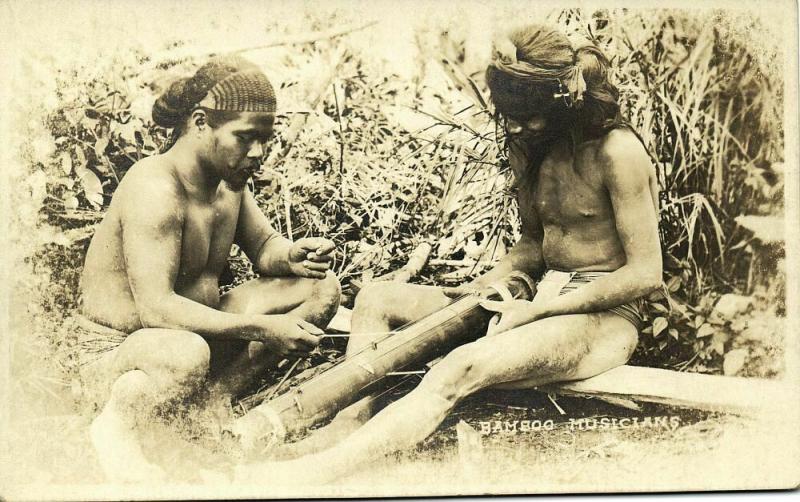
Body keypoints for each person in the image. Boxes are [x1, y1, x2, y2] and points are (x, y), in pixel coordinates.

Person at [238, 23, 662, 481]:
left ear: (563, 102)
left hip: (605, 316)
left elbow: (645, 274)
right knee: (377, 298)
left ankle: (311, 475)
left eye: (528, 115)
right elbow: (535, 244)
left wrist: (540, 312)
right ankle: (350, 423)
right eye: (509, 115)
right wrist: (483, 287)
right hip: (540, 300)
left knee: (461, 365)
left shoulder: (618, 152)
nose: (516, 126)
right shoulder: (530, 145)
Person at [76, 56, 341, 482]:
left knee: (319, 289)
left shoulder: (227, 181)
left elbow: (264, 246)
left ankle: (208, 403)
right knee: (185, 352)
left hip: (192, 339)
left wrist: (292, 256)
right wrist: (262, 328)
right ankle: (114, 427)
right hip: (123, 355)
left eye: (264, 140)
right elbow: (156, 311)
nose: (257, 153)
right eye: (245, 138)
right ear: (201, 123)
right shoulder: (155, 188)